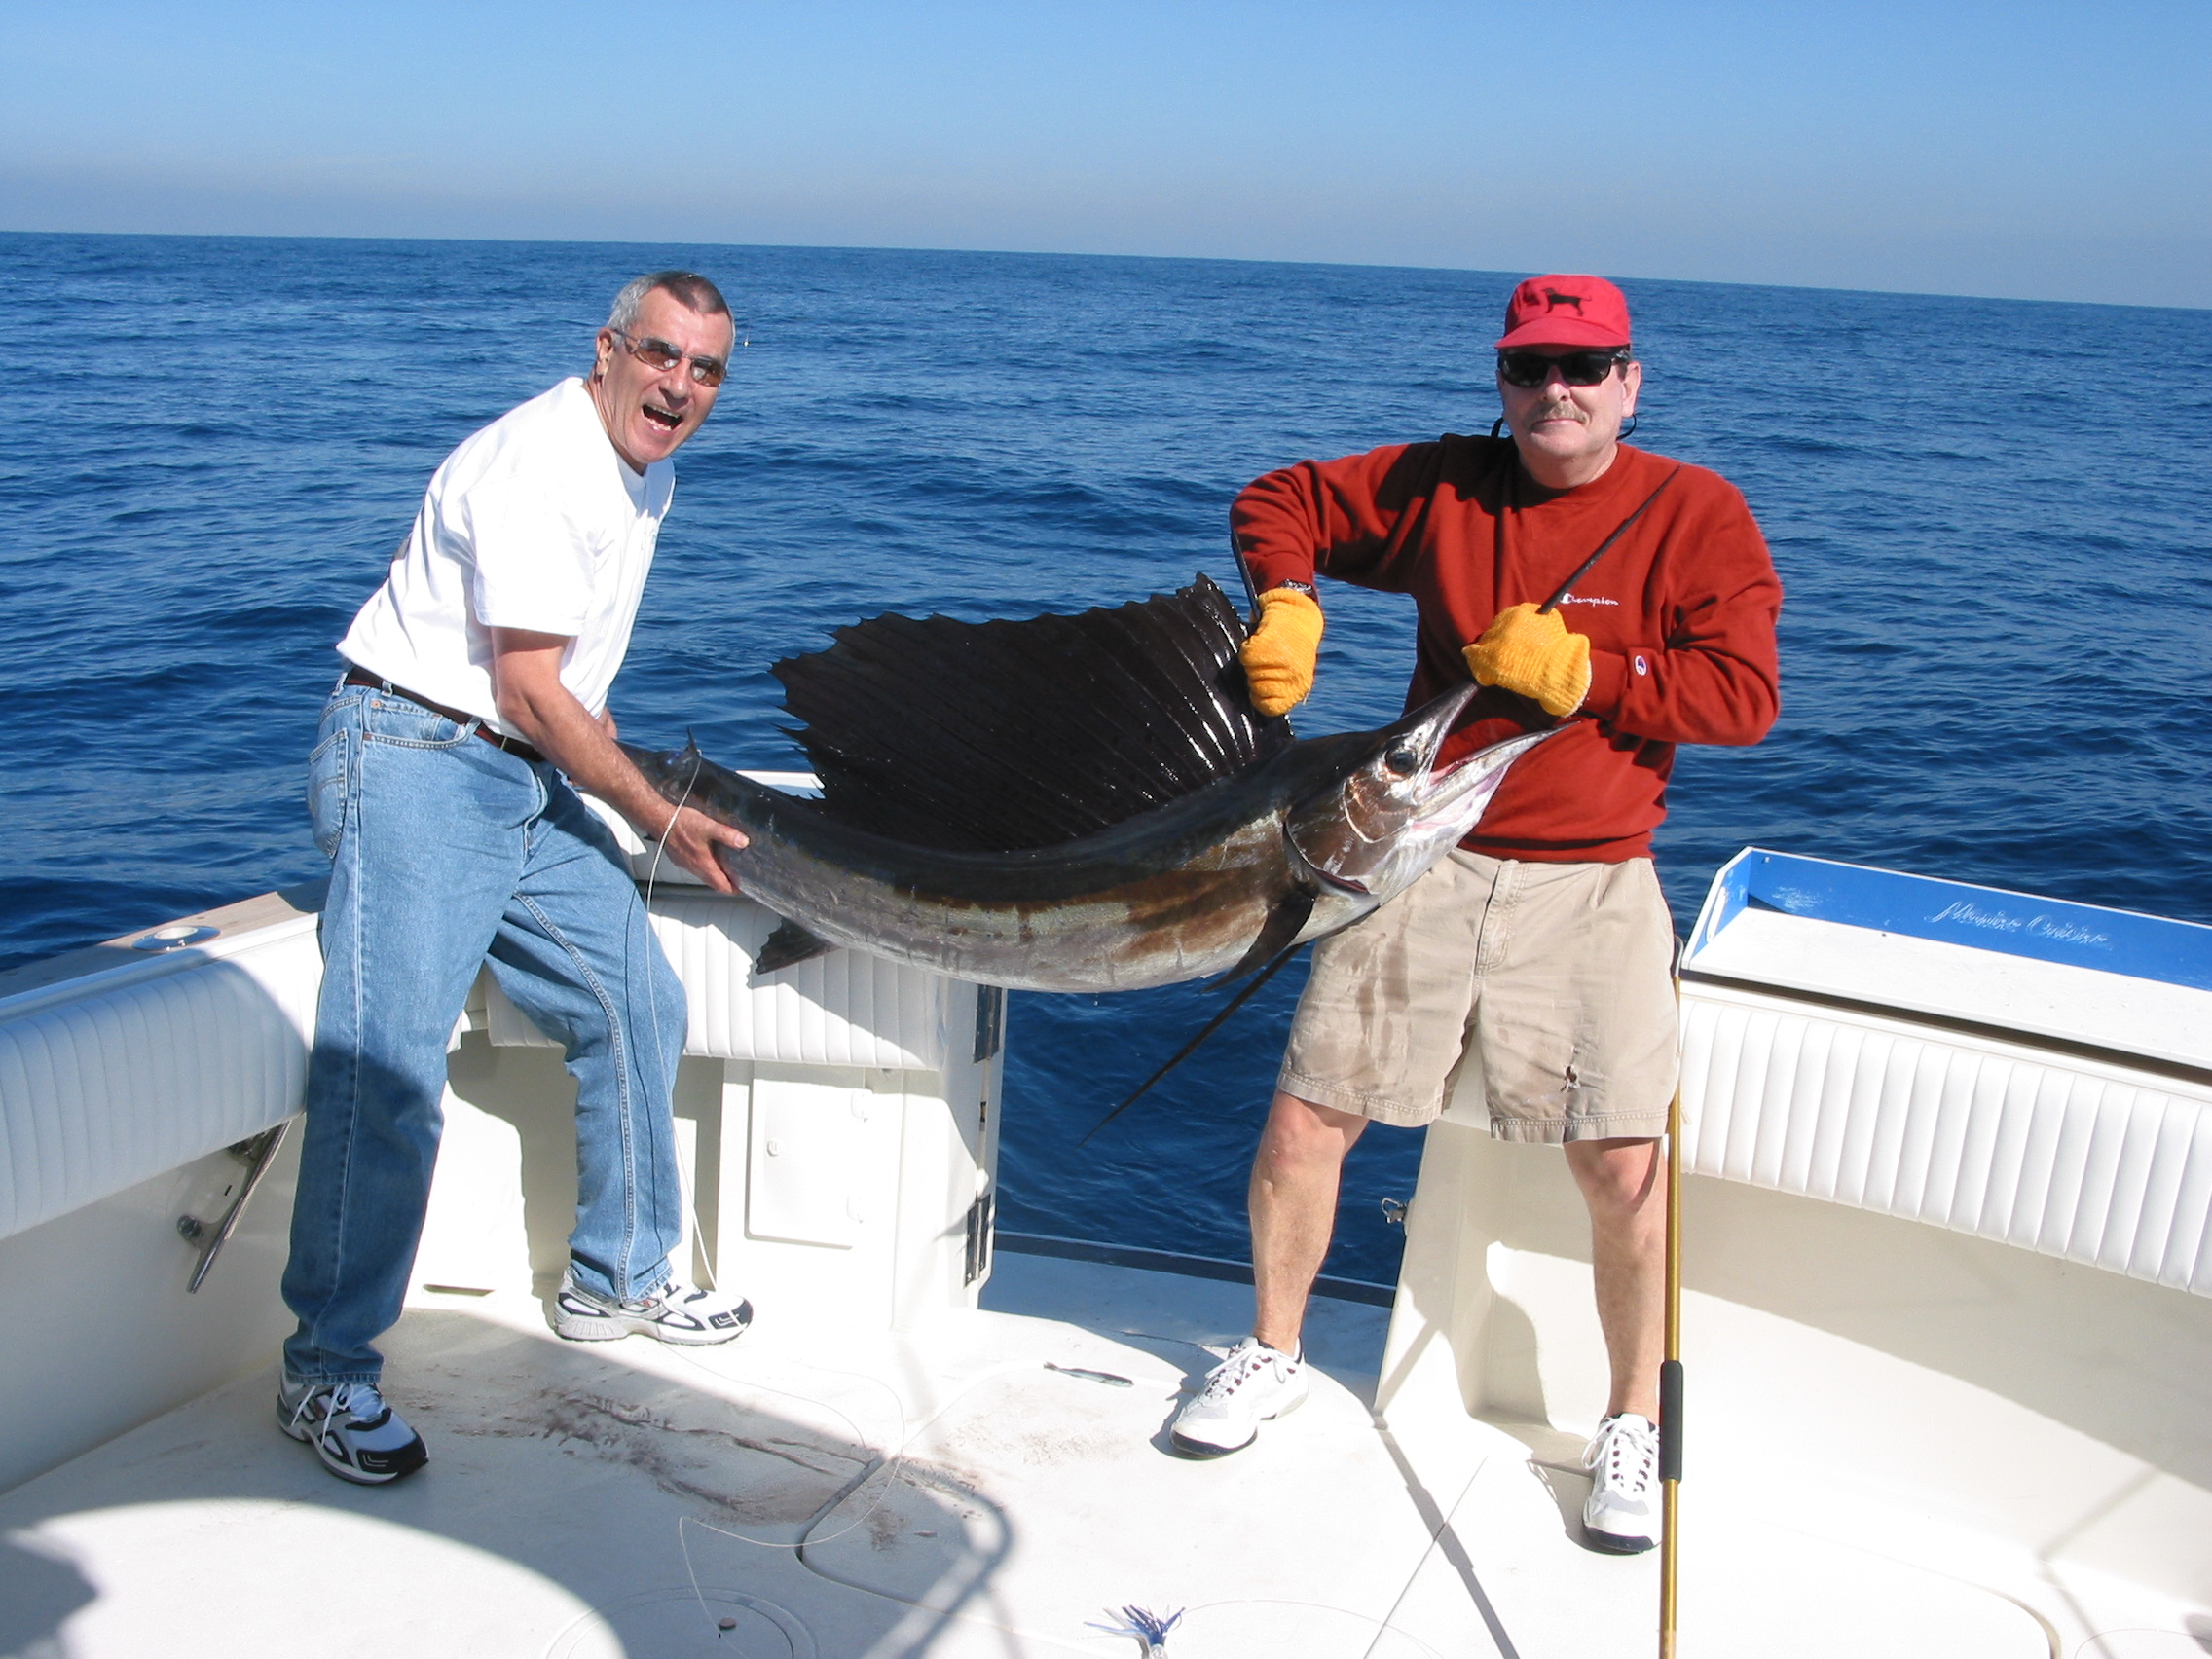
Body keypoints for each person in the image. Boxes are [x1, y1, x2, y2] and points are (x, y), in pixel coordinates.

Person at [1170, 274, 1781, 1555]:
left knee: (1621, 1165)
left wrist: (1592, 673)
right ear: (1501, 382)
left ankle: (1630, 1420)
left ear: (1629, 382)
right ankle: (1273, 1350)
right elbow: (1279, 500)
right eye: (1527, 368)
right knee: (1305, 1122)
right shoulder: (1448, 484)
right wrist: (1290, 597)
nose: (1556, 389)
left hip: (1595, 876)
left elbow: (1742, 697)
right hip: (1417, 859)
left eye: (1584, 366)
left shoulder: (1696, 510)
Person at [277, 271, 756, 1485]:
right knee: (389, 1071)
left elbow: (560, 692)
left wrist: (596, 762)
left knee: (632, 999)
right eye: (660, 355)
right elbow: (529, 691)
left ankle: (619, 1278)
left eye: (705, 369)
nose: (680, 386)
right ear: (608, 350)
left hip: (513, 777)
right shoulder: (546, 463)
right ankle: (323, 1372)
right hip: (415, 759)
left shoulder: (641, 471)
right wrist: (658, 816)